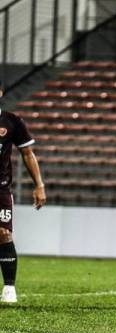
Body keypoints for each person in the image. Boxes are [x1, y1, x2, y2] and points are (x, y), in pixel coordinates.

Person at [0, 81, 46, 303]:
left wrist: (39, 185)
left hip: (0, 188)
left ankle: (9, 288)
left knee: (3, 234)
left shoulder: (12, 121)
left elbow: (27, 154)